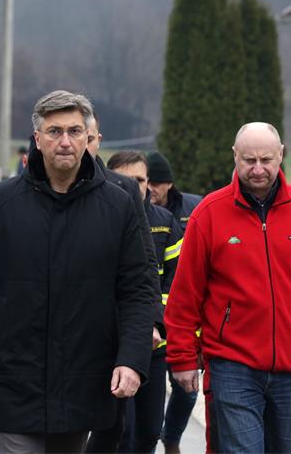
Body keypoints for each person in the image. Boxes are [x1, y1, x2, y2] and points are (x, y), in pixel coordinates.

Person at [0, 90, 154, 454]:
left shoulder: (117, 206)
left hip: (83, 380)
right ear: (38, 138)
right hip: (16, 379)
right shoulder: (0, 203)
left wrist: (132, 359)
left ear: (88, 137)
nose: (65, 141)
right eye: (54, 131)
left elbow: (137, 290)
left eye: (74, 131)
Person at [165, 122, 291, 453]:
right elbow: (185, 294)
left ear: (281, 155)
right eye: (249, 160)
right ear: (235, 157)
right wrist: (182, 356)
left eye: (266, 160)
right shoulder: (209, 214)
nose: (258, 169)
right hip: (232, 365)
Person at [84, 113, 162, 454]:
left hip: (115, 328)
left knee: (116, 427)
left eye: (86, 137)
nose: (76, 145)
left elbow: (144, 267)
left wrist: (152, 322)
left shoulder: (122, 191)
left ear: (97, 140)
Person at [107, 151, 183, 454]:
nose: (133, 186)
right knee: (121, 431)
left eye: (139, 180)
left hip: (154, 347)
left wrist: (155, 323)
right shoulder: (101, 220)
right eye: (123, 180)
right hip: (115, 347)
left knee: (150, 431)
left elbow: (174, 283)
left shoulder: (165, 223)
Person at [145, 150, 201, 454]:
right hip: (153, 325)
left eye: (156, 182)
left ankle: (173, 438)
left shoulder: (194, 209)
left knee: (187, 390)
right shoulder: (137, 211)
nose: (150, 188)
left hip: (183, 321)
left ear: (169, 184)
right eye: (146, 181)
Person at [146, 151, 201, 234]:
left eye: (155, 184)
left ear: (169, 184)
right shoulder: (134, 210)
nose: (149, 189)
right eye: (146, 183)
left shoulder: (195, 207)